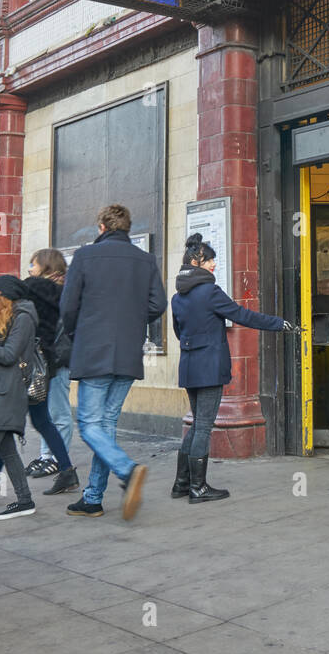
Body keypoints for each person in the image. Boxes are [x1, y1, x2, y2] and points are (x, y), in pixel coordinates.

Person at [60, 203, 166, 521]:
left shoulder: (84, 257)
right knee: (106, 425)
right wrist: (133, 322)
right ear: (127, 229)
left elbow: (68, 306)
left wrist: (78, 331)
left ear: (102, 228)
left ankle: (128, 470)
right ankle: (93, 497)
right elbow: (158, 303)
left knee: (89, 425)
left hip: (94, 352)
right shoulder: (145, 260)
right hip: (128, 353)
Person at [171, 233, 290, 502]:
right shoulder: (209, 292)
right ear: (196, 261)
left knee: (196, 425)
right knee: (203, 426)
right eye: (210, 260)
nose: (214, 264)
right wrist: (277, 323)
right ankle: (198, 488)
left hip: (189, 366)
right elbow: (242, 315)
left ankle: (181, 483)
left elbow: (179, 333)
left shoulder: (178, 297)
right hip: (209, 367)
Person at [0, 276, 39, 519]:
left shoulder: (23, 317)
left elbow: (8, 355)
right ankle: (25, 500)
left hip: (7, 391)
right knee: (8, 450)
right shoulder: (4, 317)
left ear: (4, 295)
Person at [22, 249, 78, 495]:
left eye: (33, 264)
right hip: (54, 359)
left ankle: (54, 459)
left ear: (45, 267)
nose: (30, 269)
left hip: (53, 359)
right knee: (47, 412)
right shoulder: (65, 292)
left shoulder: (45, 291)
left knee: (56, 411)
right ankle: (50, 456)